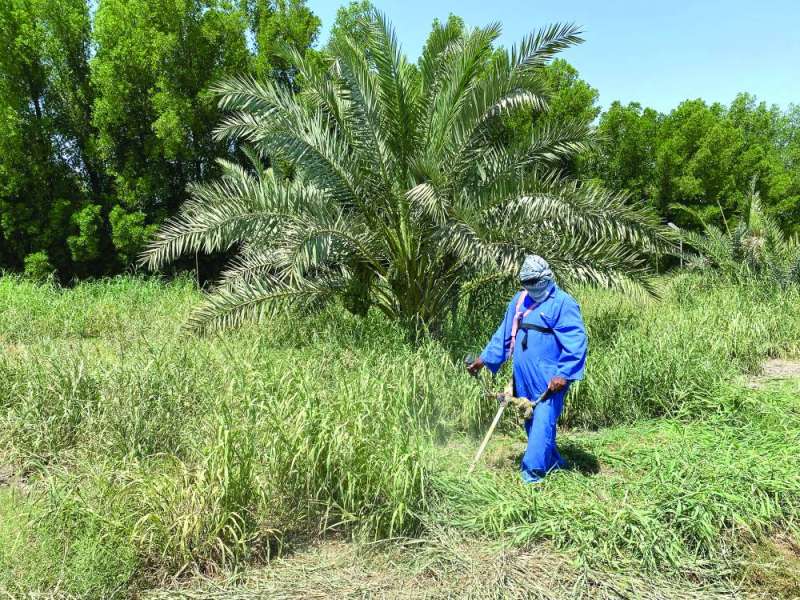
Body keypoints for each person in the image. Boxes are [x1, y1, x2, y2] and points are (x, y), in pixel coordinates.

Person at [467, 255, 588, 483]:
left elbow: (576, 341)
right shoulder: (519, 300)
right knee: (533, 422)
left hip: (550, 378)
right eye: (528, 283)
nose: (534, 288)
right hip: (523, 376)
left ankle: (531, 477)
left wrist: (563, 374)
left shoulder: (563, 303)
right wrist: (483, 360)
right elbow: (503, 335)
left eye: (537, 283)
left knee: (543, 421)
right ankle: (552, 461)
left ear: (547, 278)